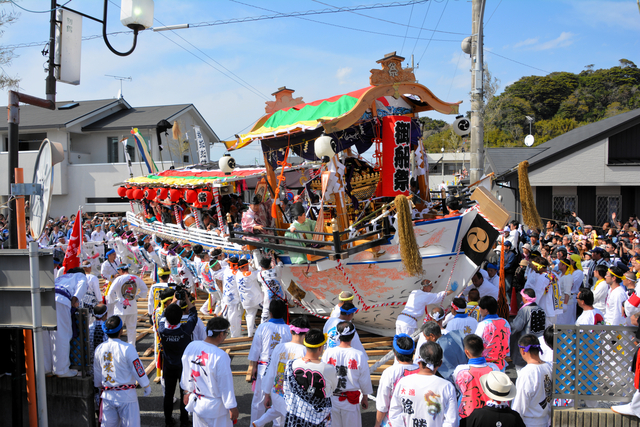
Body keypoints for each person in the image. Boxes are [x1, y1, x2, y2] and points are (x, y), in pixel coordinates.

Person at [94, 315, 152, 427]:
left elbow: (97, 372)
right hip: (127, 396)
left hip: (107, 395)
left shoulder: (100, 348)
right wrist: (146, 385)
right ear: (121, 330)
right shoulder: (127, 348)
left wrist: (98, 385)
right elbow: (138, 369)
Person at [180, 317, 239, 426]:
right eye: (226, 333)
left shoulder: (192, 346)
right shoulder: (220, 355)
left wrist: (187, 391)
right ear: (221, 334)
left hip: (198, 402)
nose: (226, 336)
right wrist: (232, 406)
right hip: (216, 408)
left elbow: (186, 370)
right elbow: (225, 384)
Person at [253, 316, 311, 427]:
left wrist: (266, 394)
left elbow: (270, 373)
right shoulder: (305, 351)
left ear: (291, 330)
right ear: (306, 333)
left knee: (278, 417)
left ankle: (259, 422)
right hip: (294, 397)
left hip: (278, 391)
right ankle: (260, 422)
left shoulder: (279, 348)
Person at [389, 341, 459, 427]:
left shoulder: (404, 382)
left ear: (419, 360)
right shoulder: (446, 387)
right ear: (440, 363)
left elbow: (394, 413)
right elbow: (451, 421)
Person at [282, 328, 338, 427]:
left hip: (295, 415)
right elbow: (332, 388)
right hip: (319, 418)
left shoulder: (291, 364)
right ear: (321, 347)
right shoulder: (328, 368)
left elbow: (286, 390)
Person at [248, 299, 292, 424]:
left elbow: (256, 349)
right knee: (278, 399)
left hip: (264, 366)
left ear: (270, 313)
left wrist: (253, 366)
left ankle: (256, 424)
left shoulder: (263, 327)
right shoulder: (288, 329)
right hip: (281, 369)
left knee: (259, 400)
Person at [322, 321, 373, 427]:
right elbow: (364, 379)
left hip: (332, 398)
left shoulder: (328, 353)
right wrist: (365, 396)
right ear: (353, 335)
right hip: (350, 401)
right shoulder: (359, 355)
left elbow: (322, 376)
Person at [158, 295, 198, 427]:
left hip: (168, 366)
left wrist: (174, 299)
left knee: (168, 395)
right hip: (183, 367)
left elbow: (163, 314)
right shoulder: (185, 330)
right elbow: (193, 313)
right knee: (184, 394)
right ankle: (184, 421)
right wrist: (185, 298)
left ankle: (168, 421)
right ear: (181, 316)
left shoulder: (162, 328)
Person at [374, 334, 419, 427]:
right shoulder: (422, 371)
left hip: (394, 423)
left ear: (395, 353)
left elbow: (383, 404)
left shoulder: (390, 372)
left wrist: (377, 424)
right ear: (413, 351)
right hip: (417, 421)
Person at [452, 334, 500, 419]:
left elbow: (459, 388)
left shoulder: (460, 370)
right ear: (483, 349)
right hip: (490, 414)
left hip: (467, 414)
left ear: (466, 352)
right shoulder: (494, 368)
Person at [51, 268, 87, 377]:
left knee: (47, 335)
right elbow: (82, 284)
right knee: (62, 334)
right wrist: (75, 298)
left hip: (46, 298)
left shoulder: (60, 277)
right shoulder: (79, 276)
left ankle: (46, 368)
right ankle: (61, 370)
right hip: (61, 300)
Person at [512, 334, 552, 427]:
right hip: (546, 419)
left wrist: (514, 421)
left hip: (529, 422)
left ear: (522, 350)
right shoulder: (549, 367)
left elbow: (520, 403)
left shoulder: (527, 372)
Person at [107, 264, 148, 346]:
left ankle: (116, 346)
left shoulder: (119, 279)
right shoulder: (136, 278)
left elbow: (110, 292)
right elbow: (145, 289)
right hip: (132, 306)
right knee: (132, 329)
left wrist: (113, 301)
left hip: (119, 307)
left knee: (117, 328)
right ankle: (132, 347)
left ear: (121, 270)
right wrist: (137, 296)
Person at [510, 289, 546, 371]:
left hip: (526, 342)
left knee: (521, 369)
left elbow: (516, 326)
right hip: (538, 342)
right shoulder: (540, 309)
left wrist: (508, 327)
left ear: (525, 298)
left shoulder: (525, 310)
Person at [475, 296, 511, 372]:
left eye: (480, 307)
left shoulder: (483, 324)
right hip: (501, 364)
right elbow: (507, 342)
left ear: (486, 310)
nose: (479, 309)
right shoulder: (505, 322)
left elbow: (476, 345)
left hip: (485, 364)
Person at [236, 258, 264, 337]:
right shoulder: (248, 274)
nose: (248, 267)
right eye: (246, 266)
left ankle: (250, 334)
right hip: (255, 299)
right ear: (242, 268)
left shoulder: (238, 274)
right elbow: (259, 271)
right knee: (266, 310)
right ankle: (262, 330)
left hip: (245, 300)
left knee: (250, 315)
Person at [257, 253, 286, 324]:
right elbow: (280, 264)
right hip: (280, 296)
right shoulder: (277, 269)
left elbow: (261, 270)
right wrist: (277, 258)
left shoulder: (260, 275)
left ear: (261, 266)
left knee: (265, 312)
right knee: (280, 312)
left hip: (269, 298)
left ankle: (263, 327)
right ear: (270, 264)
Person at [221, 257, 242, 337]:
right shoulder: (236, 273)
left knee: (231, 314)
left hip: (226, 296)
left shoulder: (226, 270)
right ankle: (235, 334)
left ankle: (233, 331)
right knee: (234, 316)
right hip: (233, 299)